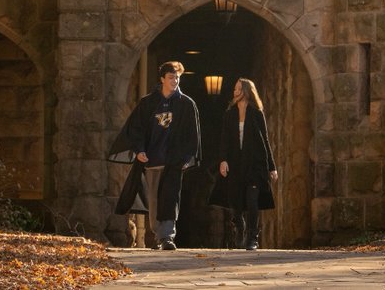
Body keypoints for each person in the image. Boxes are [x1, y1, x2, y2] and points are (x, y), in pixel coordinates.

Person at [108, 60, 201, 250]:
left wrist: (187, 157)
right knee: (154, 200)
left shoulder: (186, 104)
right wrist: (140, 150)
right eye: (171, 77)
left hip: (173, 161)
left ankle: (167, 236)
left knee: (171, 197)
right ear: (162, 79)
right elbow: (136, 128)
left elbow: (192, 133)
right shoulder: (148, 103)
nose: (175, 81)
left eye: (177, 77)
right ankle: (158, 234)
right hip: (152, 160)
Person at [209, 78, 277, 250]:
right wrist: (223, 160)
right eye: (234, 89)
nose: (235, 92)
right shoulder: (229, 113)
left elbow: (265, 140)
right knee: (236, 203)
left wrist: (272, 167)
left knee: (253, 201)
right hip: (235, 165)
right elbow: (224, 139)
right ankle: (240, 227)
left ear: (246, 91)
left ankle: (253, 237)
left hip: (254, 165)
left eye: (238, 89)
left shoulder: (256, 113)